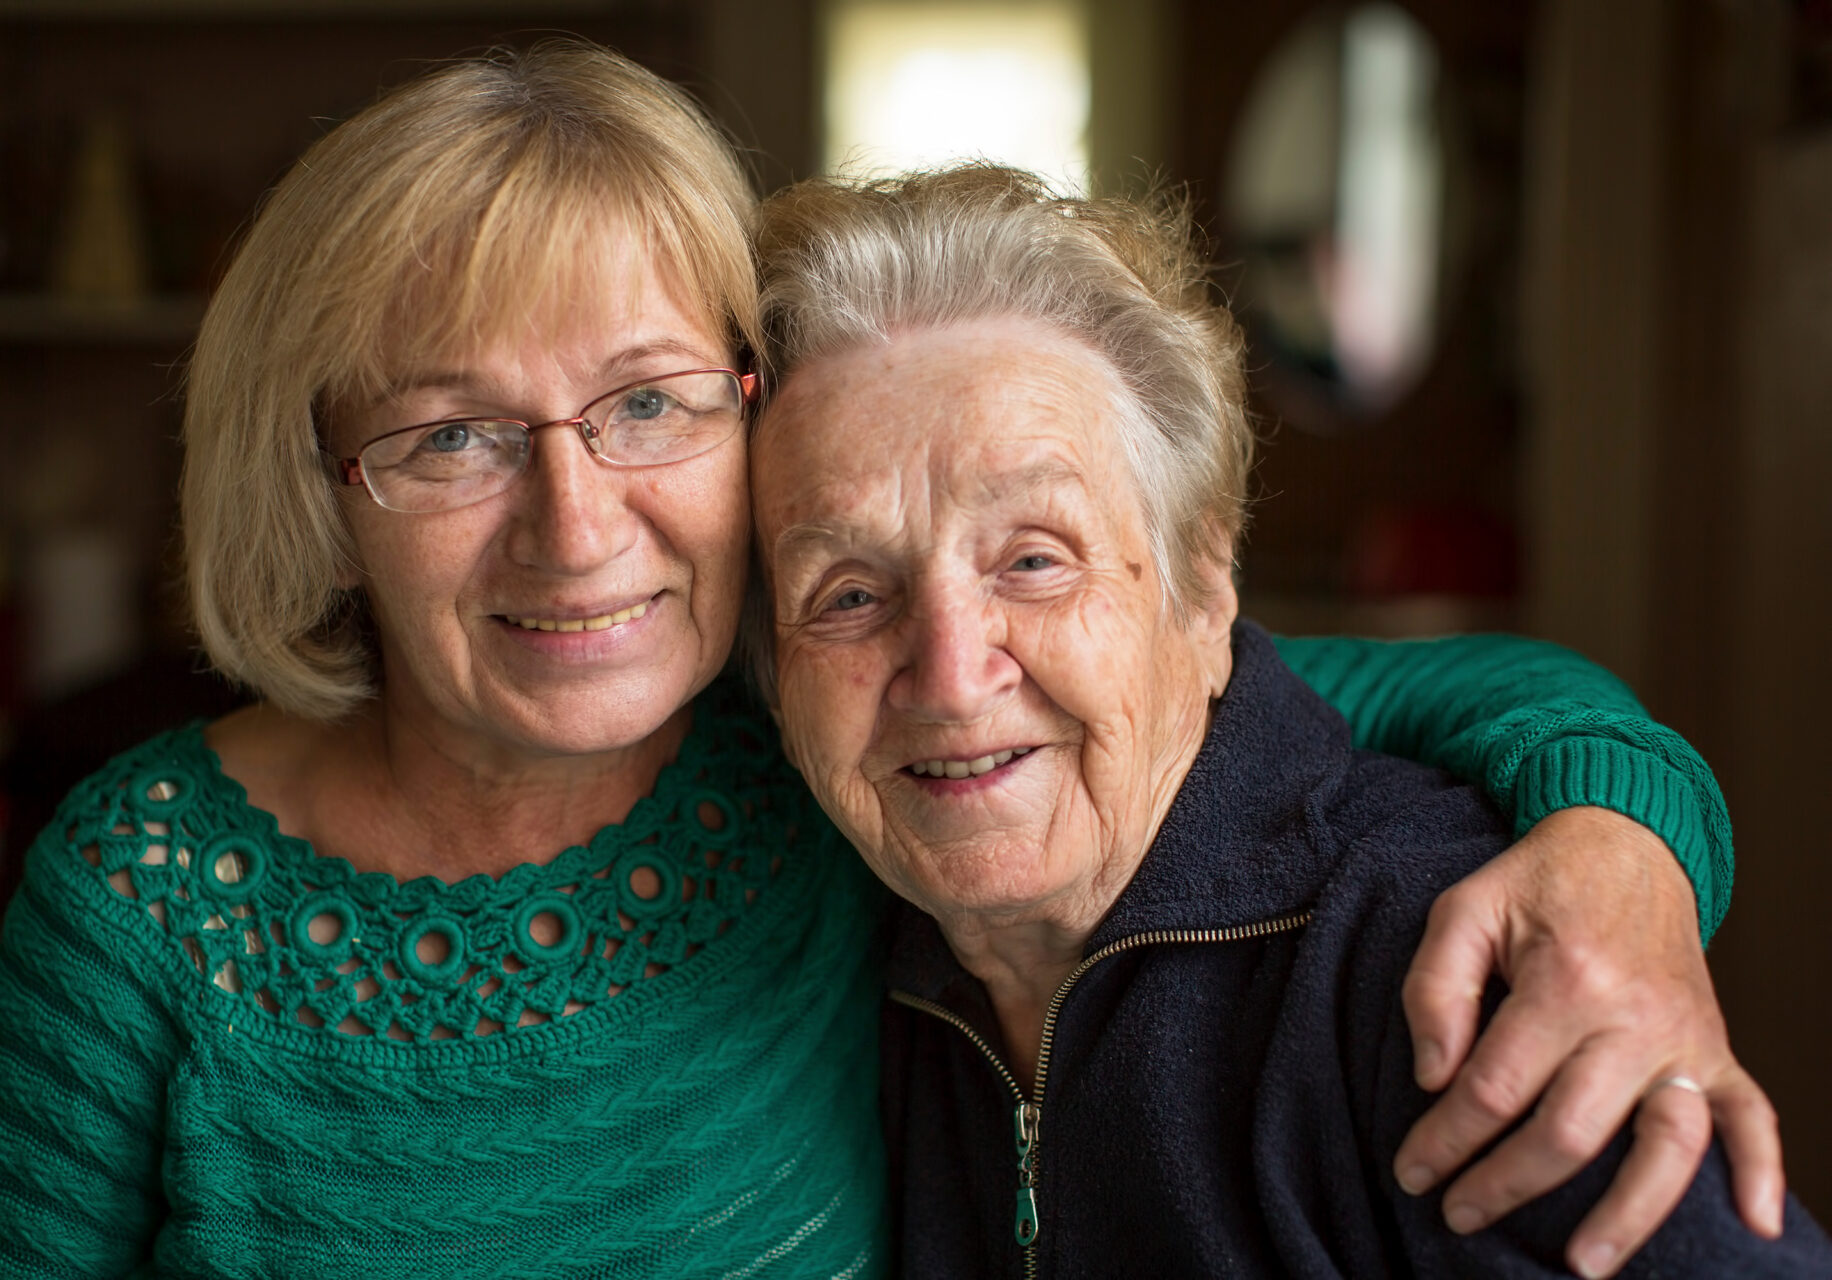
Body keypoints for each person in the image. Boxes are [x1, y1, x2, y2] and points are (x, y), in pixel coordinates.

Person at [0, 43, 1775, 1280]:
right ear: (322, 487)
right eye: (450, 438)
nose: (574, 531)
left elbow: (1376, 698)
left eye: (645, 405)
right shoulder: (146, 902)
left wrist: (1628, 853)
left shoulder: (817, 741)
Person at [744, 164, 1826, 1278]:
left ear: (1204, 588)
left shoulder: (1428, 962)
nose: (953, 677)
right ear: (774, 677)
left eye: (1033, 559)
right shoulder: (823, 949)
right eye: (849, 596)